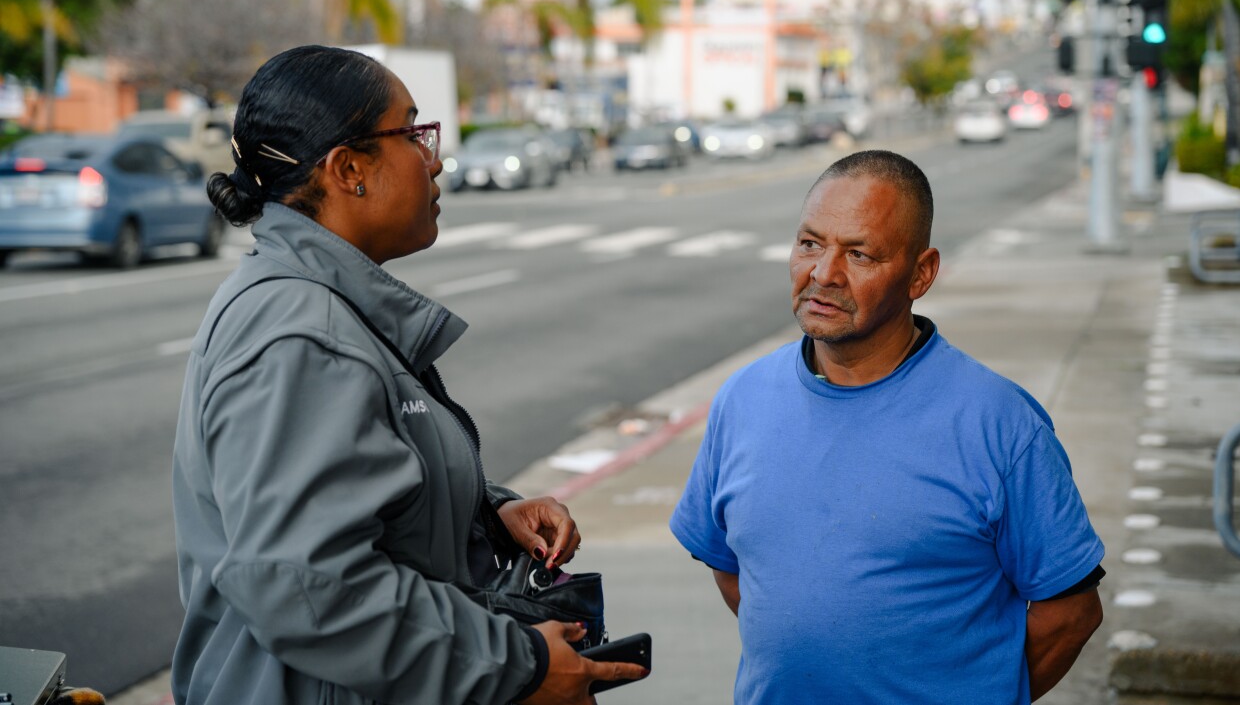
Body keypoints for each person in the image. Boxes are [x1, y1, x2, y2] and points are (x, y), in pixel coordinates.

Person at [171, 45, 644, 705]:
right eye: (413, 133)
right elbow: (307, 581)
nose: (435, 158)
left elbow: (362, 493)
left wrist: (486, 513)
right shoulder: (304, 334)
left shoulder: (317, 301)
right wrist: (521, 663)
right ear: (349, 169)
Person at [669, 150, 1104, 703]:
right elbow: (737, 575)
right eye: (810, 243)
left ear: (920, 273)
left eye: (860, 254)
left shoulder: (1000, 425)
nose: (823, 273)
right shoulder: (741, 400)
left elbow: (1071, 612)